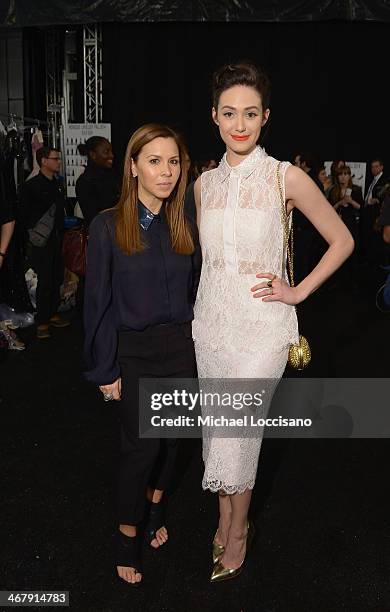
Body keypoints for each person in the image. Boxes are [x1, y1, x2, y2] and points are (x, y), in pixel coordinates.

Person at [192, 61, 353, 583]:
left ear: (266, 118)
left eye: (252, 114)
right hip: (210, 324)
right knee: (220, 428)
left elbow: (343, 240)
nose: (240, 124)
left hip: (262, 326)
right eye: (230, 113)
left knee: (241, 432)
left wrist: (298, 291)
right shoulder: (203, 186)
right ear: (214, 116)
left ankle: (238, 530)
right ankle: (224, 517)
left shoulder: (285, 176)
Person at [83, 123, 201, 586]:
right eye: (154, 161)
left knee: (172, 444)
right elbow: (97, 305)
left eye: (173, 162)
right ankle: (126, 536)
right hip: (134, 354)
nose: (166, 171)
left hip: (182, 351)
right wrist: (105, 369)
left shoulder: (184, 225)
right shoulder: (107, 226)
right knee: (141, 449)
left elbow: (197, 293)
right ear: (132, 166)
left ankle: (154, 508)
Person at [19, 147, 69, 339]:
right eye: (55, 159)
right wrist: (31, 238)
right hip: (40, 241)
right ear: (44, 161)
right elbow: (23, 216)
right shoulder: (30, 186)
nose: (59, 162)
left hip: (57, 238)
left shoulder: (57, 184)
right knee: (45, 280)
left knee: (57, 277)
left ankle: (52, 313)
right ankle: (42, 321)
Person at [75, 136, 121, 227]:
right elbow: (93, 218)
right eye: (106, 152)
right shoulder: (85, 182)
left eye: (111, 151)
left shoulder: (113, 176)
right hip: (102, 236)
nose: (111, 155)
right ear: (93, 155)